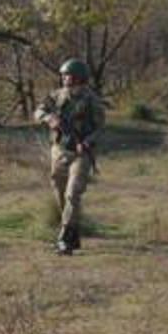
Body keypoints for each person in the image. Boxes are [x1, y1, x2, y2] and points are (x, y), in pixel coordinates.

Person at [34, 58, 106, 255]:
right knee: (59, 190)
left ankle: (64, 238)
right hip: (59, 150)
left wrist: (87, 142)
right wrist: (49, 118)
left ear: (80, 79)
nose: (65, 79)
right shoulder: (56, 96)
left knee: (72, 193)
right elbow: (38, 110)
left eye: (69, 75)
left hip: (81, 153)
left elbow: (100, 128)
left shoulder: (92, 101)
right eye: (64, 75)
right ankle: (73, 232)